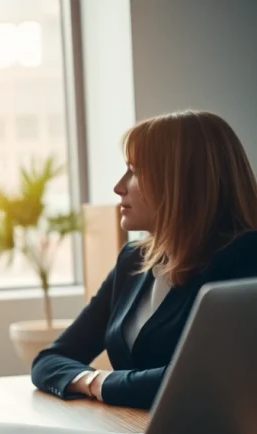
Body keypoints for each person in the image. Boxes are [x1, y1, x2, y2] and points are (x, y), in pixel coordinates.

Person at [31, 110, 257, 409]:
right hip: (130, 433)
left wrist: (105, 383)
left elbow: (206, 378)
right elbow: (49, 361)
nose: (119, 186)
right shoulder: (134, 260)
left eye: (134, 171)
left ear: (181, 181)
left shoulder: (245, 259)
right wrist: (94, 381)